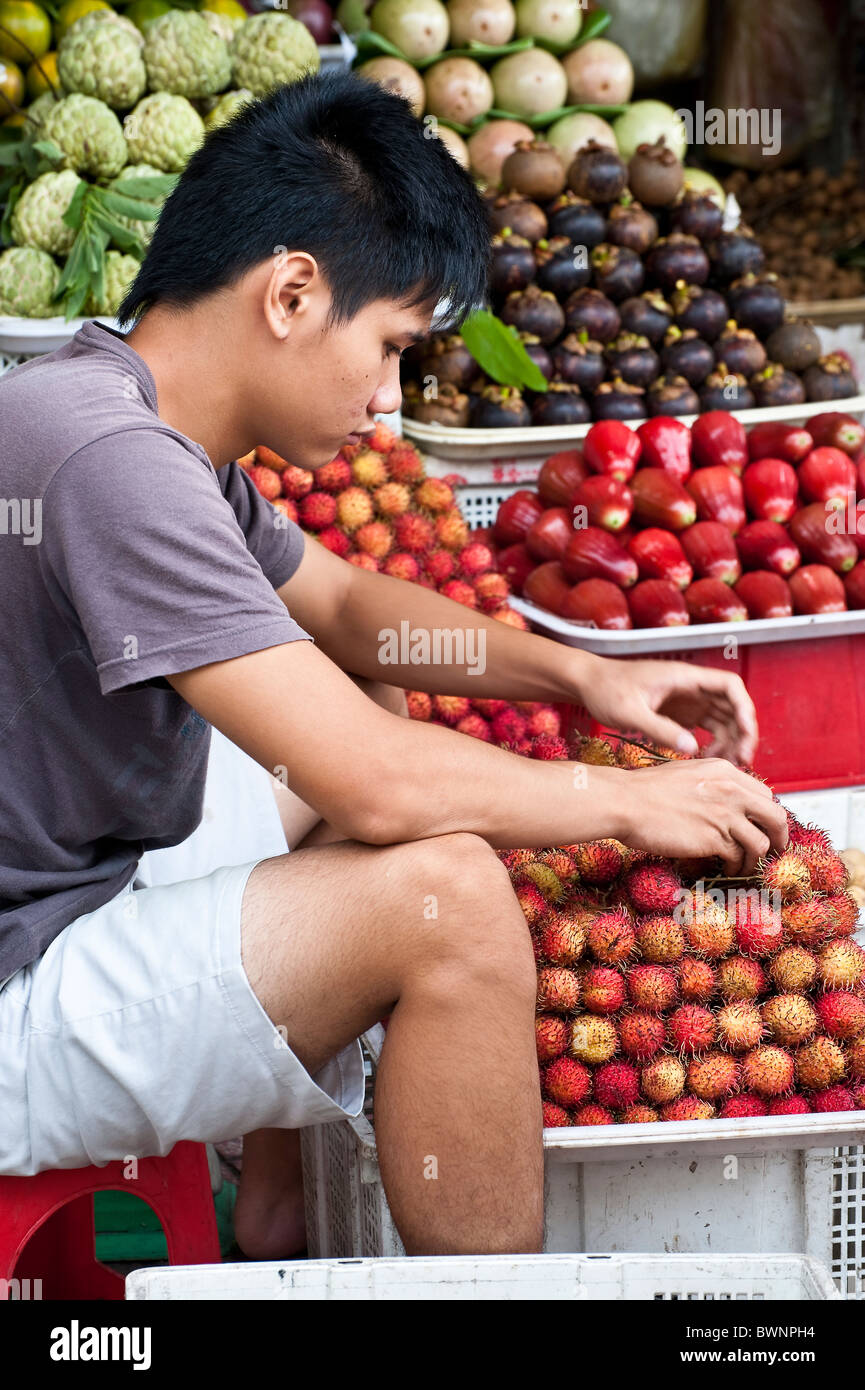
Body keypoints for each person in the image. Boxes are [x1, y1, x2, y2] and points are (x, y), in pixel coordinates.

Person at [0, 71, 787, 1260]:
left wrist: (582, 678)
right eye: (390, 349)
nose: (387, 402)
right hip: (22, 983)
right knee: (451, 903)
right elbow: (372, 783)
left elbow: (353, 607)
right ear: (291, 291)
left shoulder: (118, 409)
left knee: (360, 688)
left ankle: (277, 1204)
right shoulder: (113, 457)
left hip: (69, 889)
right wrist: (625, 799)